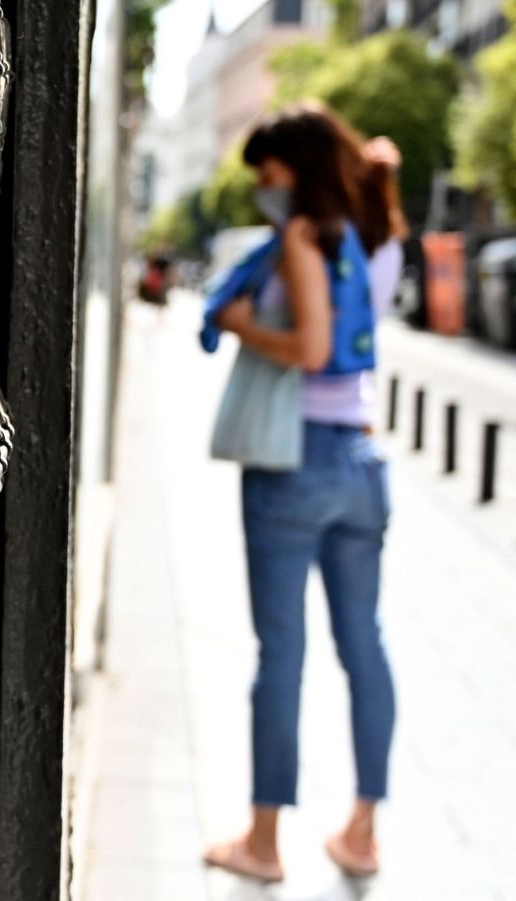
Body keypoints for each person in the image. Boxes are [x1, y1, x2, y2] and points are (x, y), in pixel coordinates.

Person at [202, 103, 398, 883]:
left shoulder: (304, 238)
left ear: (298, 169)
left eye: (269, 174)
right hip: (362, 462)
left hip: (294, 461)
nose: (263, 188)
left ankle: (261, 843)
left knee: (281, 653)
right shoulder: (372, 235)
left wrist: (246, 326)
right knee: (365, 647)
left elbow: (313, 350)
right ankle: (362, 831)